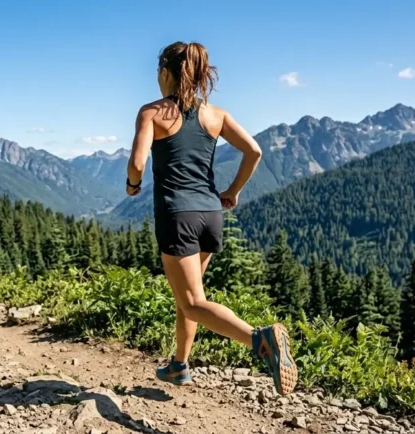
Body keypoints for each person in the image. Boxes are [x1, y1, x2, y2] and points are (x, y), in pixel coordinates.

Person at [125, 41, 298, 396]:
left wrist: (132, 184)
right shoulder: (215, 115)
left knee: (190, 301)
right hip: (210, 213)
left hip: (178, 215)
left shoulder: (152, 112)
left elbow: (138, 163)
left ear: (164, 73)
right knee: (192, 297)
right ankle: (179, 366)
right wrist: (233, 191)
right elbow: (254, 150)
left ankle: (258, 339)